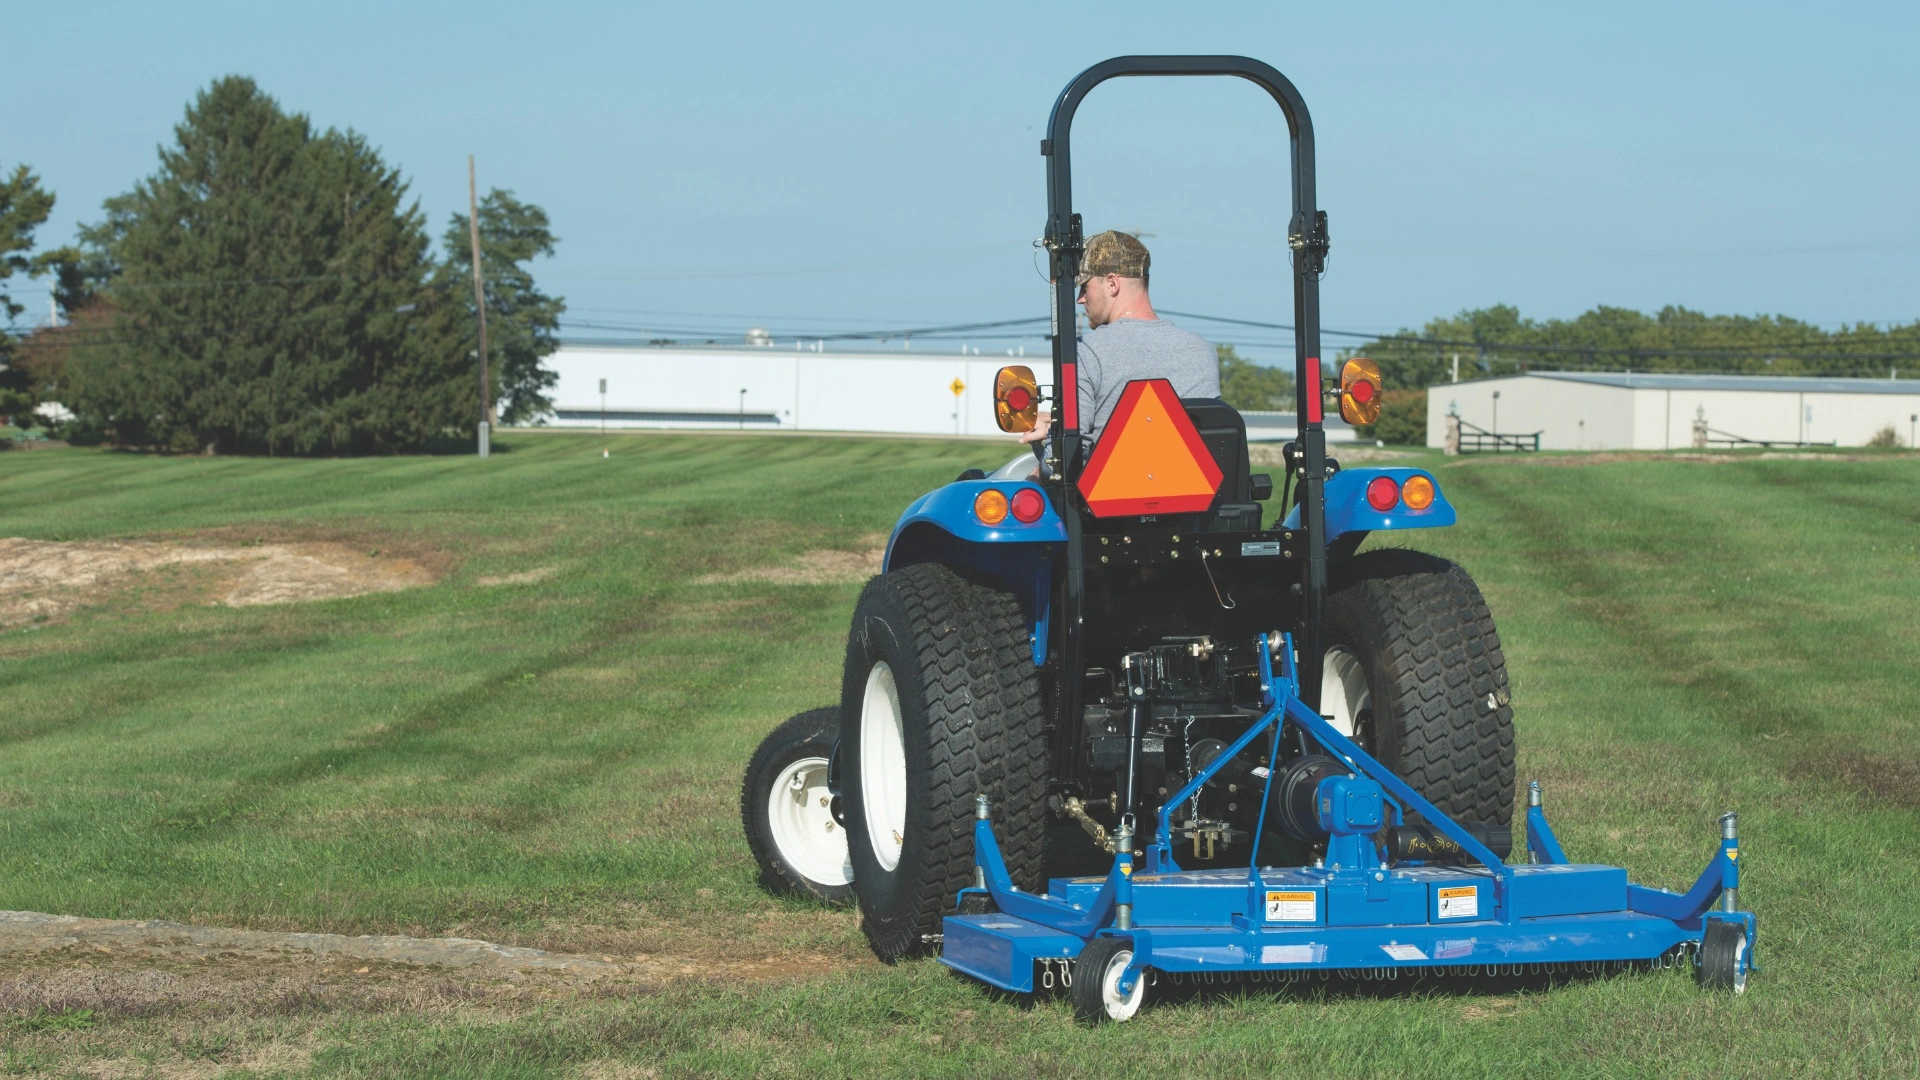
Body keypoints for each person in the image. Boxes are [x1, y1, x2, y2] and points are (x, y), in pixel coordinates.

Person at [1019, 230, 1220, 449]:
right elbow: (1175, 440)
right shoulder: (1203, 351)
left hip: (1113, 483)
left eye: (1085, 287)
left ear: (1112, 283)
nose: (1080, 299)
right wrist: (1056, 427)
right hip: (1192, 482)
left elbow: (1075, 455)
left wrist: (1045, 455)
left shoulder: (1085, 352)